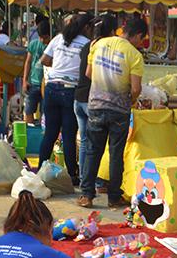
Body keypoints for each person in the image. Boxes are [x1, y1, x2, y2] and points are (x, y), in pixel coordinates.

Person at [79, 15, 146, 209]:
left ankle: (86, 195)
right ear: (138, 35)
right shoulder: (134, 55)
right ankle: (113, 197)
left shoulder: (98, 44)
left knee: (92, 151)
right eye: (142, 39)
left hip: (96, 106)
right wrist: (131, 99)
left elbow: (88, 74)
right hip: (119, 110)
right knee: (116, 154)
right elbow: (135, 89)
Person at [39, 13, 90, 181]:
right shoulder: (86, 44)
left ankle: (41, 170)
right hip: (70, 90)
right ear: (86, 28)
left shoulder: (58, 38)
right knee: (69, 134)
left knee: (50, 133)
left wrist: (60, 65)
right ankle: (72, 175)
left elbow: (44, 60)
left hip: (52, 88)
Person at [73, 14, 111, 196]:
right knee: (95, 144)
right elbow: (91, 73)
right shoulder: (102, 48)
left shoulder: (87, 46)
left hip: (78, 97)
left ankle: (84, 178)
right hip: (90, 100)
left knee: (86, 141)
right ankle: (94, 181)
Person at [22, 19, 49, 126]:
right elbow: (28, 62)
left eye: (45, 37)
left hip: (46, 86)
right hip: (33, 83)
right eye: (40, 37)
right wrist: (24, 80)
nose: (42, 40)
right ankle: (29, 131)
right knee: (28, 110)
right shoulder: (33, 44)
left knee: (45, 112)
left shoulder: (52, 46)